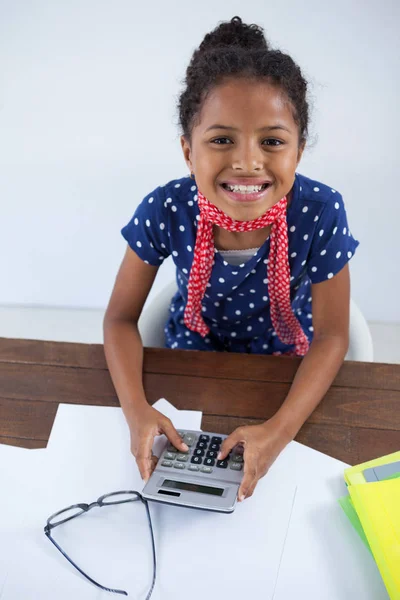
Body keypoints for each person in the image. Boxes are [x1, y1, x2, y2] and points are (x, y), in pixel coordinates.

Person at [103, 16, 359, 503]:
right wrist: (135, 408)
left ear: (299, 150)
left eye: (272, 141)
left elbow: (332, 336)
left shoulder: (322, 211)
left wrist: (279, 432)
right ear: (187, 150)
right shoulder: (167, 207)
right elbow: (118, 320)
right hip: (189, 367)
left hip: (285, 375)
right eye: (221, 140)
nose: (246, 162)